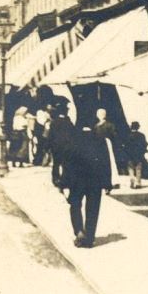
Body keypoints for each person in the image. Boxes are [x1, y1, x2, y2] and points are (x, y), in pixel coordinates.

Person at [65, 109, 117, 247]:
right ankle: (89, 238)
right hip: (95, 181)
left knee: (75, 204)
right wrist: (107, 184)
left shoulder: (73, 140)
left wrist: (65, 182)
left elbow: (68, 162)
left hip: (77, 180)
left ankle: (78, 231)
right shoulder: (100, 140)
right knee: (93, 208)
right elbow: (106, 163)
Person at [49, 99, 76, 194]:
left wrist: (50, 146)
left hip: (56, 147)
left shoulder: (54, 122)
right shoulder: (68, 121)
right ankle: (64, 179)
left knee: (56, 163)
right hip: (66, 146)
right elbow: (73, 133)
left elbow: (50, 136)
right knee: (65, 163)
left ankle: (56, 179)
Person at [93, 108, 120, 187]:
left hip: (107, 144)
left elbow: (114, 136)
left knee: (109, 161)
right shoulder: (96, 126)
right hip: (98, 145)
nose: (99, 115)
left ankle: (112, 181)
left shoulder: (109, 125)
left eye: (101, 114)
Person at [124, 121, 148, 189]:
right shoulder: (141, 135)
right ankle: (138, 183)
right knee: (138, 169)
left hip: (129, 155)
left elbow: (125, 145)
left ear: (131, 127)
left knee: (130, 168)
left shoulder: (127, 135)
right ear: (138, 127)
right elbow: (145, 144)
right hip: (139, 155)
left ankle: (132, 181)